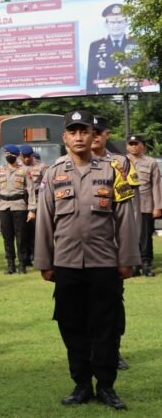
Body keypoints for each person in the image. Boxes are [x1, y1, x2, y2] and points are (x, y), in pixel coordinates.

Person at [34, 110, 139, 410]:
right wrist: (45, 261)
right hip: (66, 265)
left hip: (104, 264)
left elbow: (125, 219)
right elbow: (45, 220)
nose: (79, 137)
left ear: (95, 136)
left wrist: (127, 258)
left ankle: (106, 386)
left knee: (106, 327)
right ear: (65, 137)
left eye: (85, 131)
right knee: (72, 326)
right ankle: (81, 385)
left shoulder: (113, 170)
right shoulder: (53, 174)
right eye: (73, 131)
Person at [92, 115, 138, 371]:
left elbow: (127, 208)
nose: (95, 135)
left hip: (110, 248)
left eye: (99, 131)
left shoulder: (120, 163)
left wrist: (127, 252)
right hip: (84, 251)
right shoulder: (72, 164)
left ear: (106, 134)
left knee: (113, 303)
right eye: (91, 131)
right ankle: (89, 352)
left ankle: (114, 351)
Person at [0, 145, 36, 274]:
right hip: (4, 206)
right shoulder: (0, 171)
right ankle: (10, 265)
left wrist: (32, 210)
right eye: (6, 154)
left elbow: (30, 191)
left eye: (11, 155)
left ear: (17, 156)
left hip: (19, 206)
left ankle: (22, 264)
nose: (8, 157)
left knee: (21, 237)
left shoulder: (24, 171)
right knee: (7, 238)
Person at [125, 134, 162, 277]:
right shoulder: (121, 161)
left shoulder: (150, 162)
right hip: (127, 204)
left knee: (145, 236)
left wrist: (158, 206)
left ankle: (146, 264)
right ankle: (134, 264)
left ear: (143, 146)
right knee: (129, 236)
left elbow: (157, 186)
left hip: (146, 204)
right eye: (131, 144)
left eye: (137, 143)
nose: (134, 146)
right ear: (127, 146)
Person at [87, 4, 139, 94]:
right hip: (105, 92)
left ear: (126, 23)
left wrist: (132, 72)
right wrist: (90, 94)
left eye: (120, 22)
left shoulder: (136, 42)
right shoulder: (95, 45)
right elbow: (91, 75)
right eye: (112, 22)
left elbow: (144, 68)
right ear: (106, 24)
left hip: (131, 90)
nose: (116, 26)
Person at [20, 145, 47, 267]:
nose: (26, 159)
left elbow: (47, 185)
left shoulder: (41, 166)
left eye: (28, 156)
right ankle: (24, 257)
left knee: (36, 230)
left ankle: (36, 255)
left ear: (32, 155)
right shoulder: (17, 167)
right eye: (24, 157)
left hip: (37, 199)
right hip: (21, 201)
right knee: (23, 231)